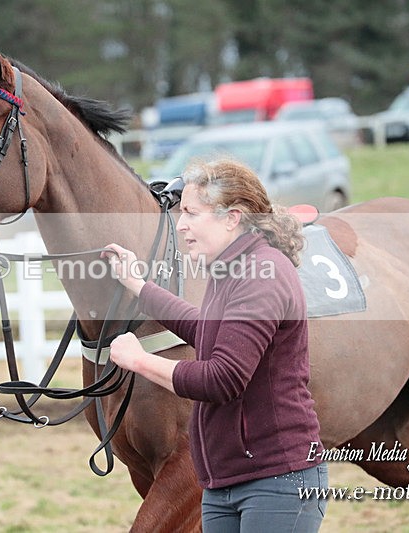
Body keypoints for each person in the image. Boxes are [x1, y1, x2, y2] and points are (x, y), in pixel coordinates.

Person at [104, 159, 327, 532]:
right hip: (224, 483)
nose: (181, 224)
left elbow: (222, 379)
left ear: (232, 218)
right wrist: (139, 286)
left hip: (276, 482)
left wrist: (140, 361)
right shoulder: (234, 269)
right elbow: (204, 329)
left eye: (192, 213)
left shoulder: (261, 275)